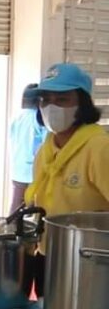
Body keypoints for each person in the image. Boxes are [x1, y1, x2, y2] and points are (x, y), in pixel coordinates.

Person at [25, 63, 109, 296]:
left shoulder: (100, 148)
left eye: (62, 99)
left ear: (82, 104)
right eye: (45, 100)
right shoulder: (46, 151)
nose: (51, 107)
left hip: (91, 262)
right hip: (48, 256)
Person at [8, 84, 46, 210]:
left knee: (16, 207)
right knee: (37, 207)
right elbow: (45, 145)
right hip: (33, 171)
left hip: (17, 168)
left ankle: (11, 223)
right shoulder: (39, 119)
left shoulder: (17, 117)